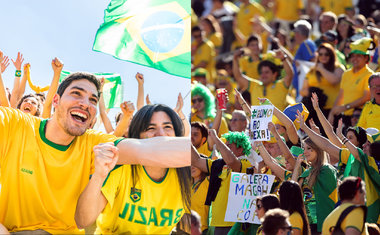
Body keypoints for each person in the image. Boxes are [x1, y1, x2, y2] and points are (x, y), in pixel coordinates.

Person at [0, 72, 190, 234]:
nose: (85, 104)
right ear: (56, 100)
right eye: (76, 94)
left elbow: (146, 150)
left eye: (93, 100)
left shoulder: (94, 142)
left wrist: (197, 157)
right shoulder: (15, 124)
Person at [75, 104, 191, 234]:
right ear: (137, 136)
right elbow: (82, 221)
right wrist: (99, 175)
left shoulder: (187, 174)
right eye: (150, 128)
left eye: (167, 127)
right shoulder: (120, 167)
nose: (161, 135)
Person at [191, 130, 252, 235]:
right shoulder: (219, 164)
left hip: (235, 222)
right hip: (218, 221)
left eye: (229, 146)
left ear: (241, 149)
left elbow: (232, 161)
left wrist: (216, 139)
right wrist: (185, 138)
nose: (224, 148)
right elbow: (196, 160)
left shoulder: (247, 164)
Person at [329, 38, 374, 128]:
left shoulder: (370, 75)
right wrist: (332, 113)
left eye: (358, 56)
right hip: (346, 116)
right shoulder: (346, 74)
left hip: (360, 117)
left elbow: (366, 97)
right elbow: (341, 96)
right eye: (353, 56)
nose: (354, 59)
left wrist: (346, 107)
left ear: (366, 58)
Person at [300, 43, 344, 116]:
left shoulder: (338, 68)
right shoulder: (312, 70)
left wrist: (321, 69)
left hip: (331, 110)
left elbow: (334, 80)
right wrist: (313, 92)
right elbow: (302, 91)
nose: (323, 56)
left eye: (326, 54)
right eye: (320, 54)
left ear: (331, 55)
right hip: (313, 110)